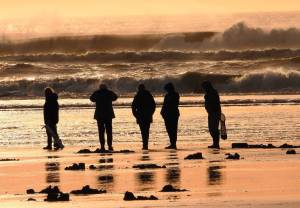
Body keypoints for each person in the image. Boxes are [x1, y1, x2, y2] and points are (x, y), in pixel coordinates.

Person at [90, 84, 118, 151]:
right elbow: (115, 97)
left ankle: (102, 146)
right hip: (108, 114)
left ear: (100, 88)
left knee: (101, 131)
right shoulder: (109, 93)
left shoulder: (97, 93)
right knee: (109, 131)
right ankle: (110, 145)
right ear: (106, 88)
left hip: (99, 115)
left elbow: (91, 98)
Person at [132, 84, 156, 150]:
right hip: (147, 115)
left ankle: (145, 145)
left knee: (143, 131)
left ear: (139, 88)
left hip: (140, 115)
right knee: (146, 130)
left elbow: (133, 107)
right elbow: (153, 105)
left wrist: (136, 115)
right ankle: (145, 145)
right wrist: (151, 113)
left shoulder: (137, 95)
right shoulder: (148, 95)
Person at [202, 81, 222, 149]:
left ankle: (216, 144)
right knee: (211, 128)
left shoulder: (212, 93)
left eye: (204, 87)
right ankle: (215, 143)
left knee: (214, 129)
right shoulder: (209, 93)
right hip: (211, 113)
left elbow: (214, 103)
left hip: (214, 112)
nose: (203, 89)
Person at [161, 83, 180, 149]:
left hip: (173, 114)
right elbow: (164, 104)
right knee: (169, 129)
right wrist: (162, 111)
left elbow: (173, 104)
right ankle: (172, 143)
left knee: (173, 129)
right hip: (167, 114)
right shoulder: (167, 95)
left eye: (167, 89)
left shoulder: (175, 94)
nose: (167, 90)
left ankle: (173, 144)